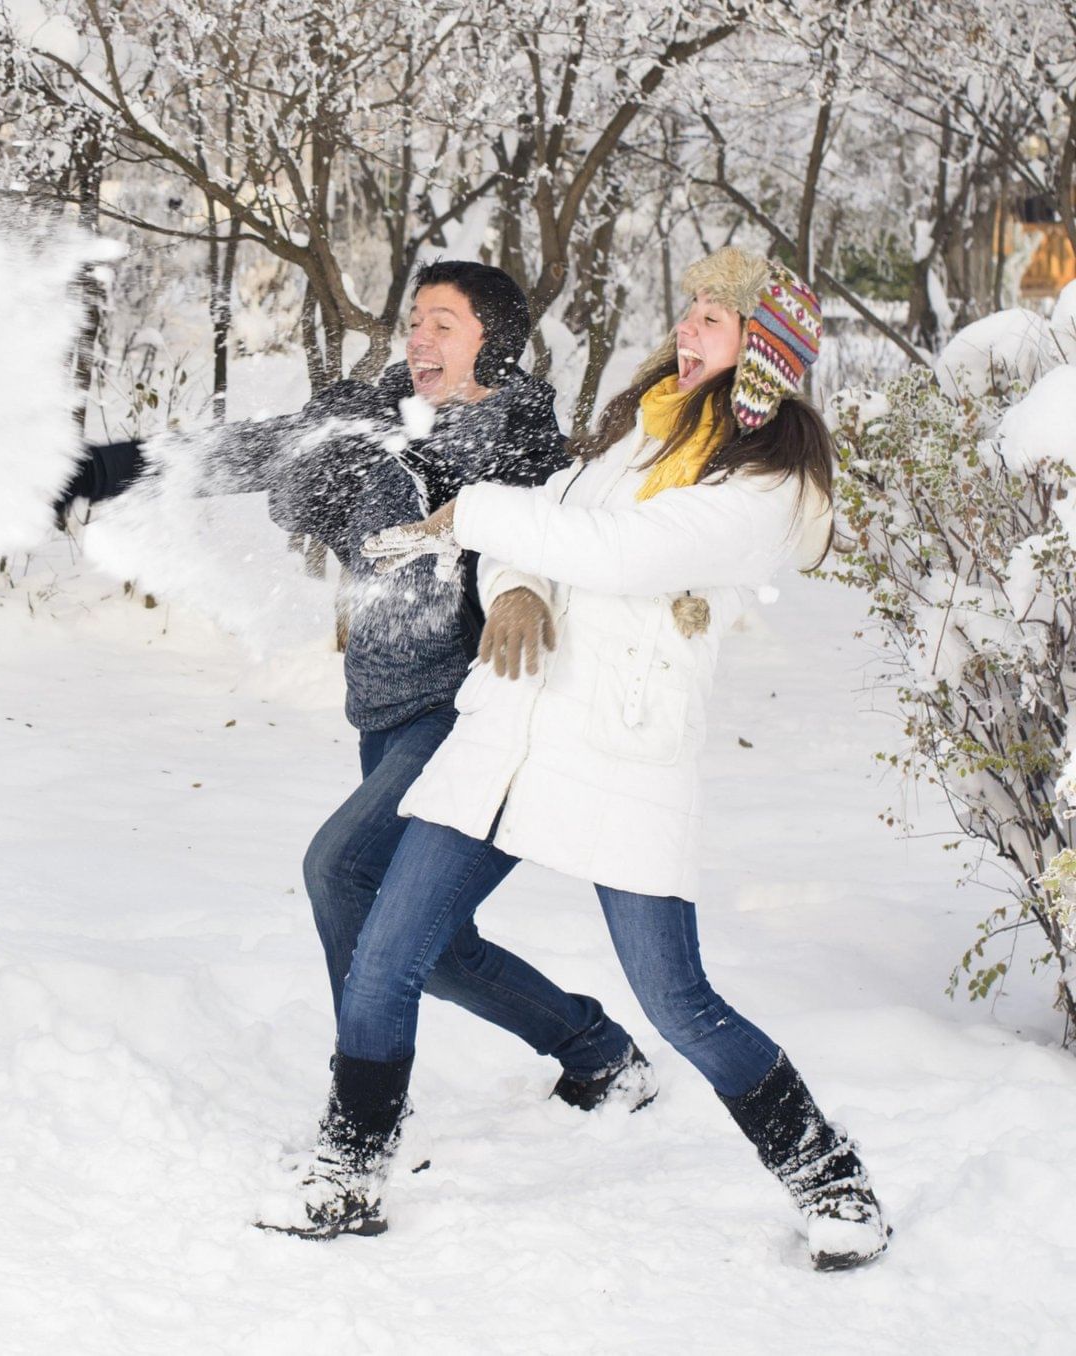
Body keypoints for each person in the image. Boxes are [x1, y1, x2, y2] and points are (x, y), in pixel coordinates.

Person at [269, 248, 889, 1270]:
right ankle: (348, 1167)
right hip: (509, 727)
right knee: (385, 948)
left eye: (714, 323)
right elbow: (555, 521)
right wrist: (512, 583)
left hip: (619, 754)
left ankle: (829, 1180)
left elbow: (619, 555)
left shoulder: (761, 489)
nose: (687, 331)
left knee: (676, 1000)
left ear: (762, 358)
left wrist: (472, 516)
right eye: (687, 311)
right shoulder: (635, 436)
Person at [61, 262, 653, 1120]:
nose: (418, 337)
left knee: (342, 871)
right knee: (436, 947)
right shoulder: (373, 412)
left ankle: (368, 1102)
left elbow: (534, 554)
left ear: (494, 341)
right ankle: (598, 1051)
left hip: (475, 715)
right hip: (385, 707)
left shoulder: (522, 453)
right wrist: (109, 467)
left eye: (443, 324)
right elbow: (257, 450)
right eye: (415, 320)